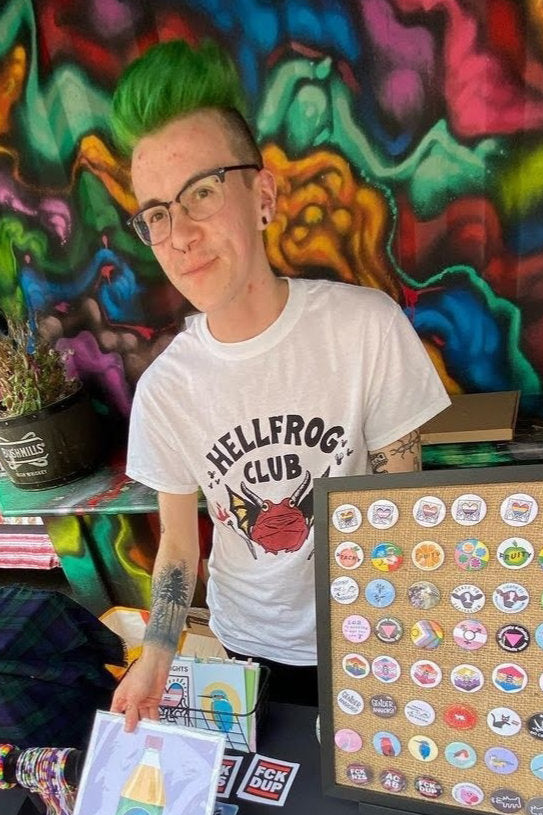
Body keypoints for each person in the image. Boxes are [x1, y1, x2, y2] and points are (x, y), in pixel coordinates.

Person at [110, 40, 449, 729]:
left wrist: (397, 642)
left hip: (367, 641)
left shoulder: (365, 329)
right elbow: (179, 544)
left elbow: (402, 502)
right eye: (155, 214)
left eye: (201, 193)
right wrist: (157, 650)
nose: (179, 235)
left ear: (261, 196)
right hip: (250, 647)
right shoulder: (166, 390)